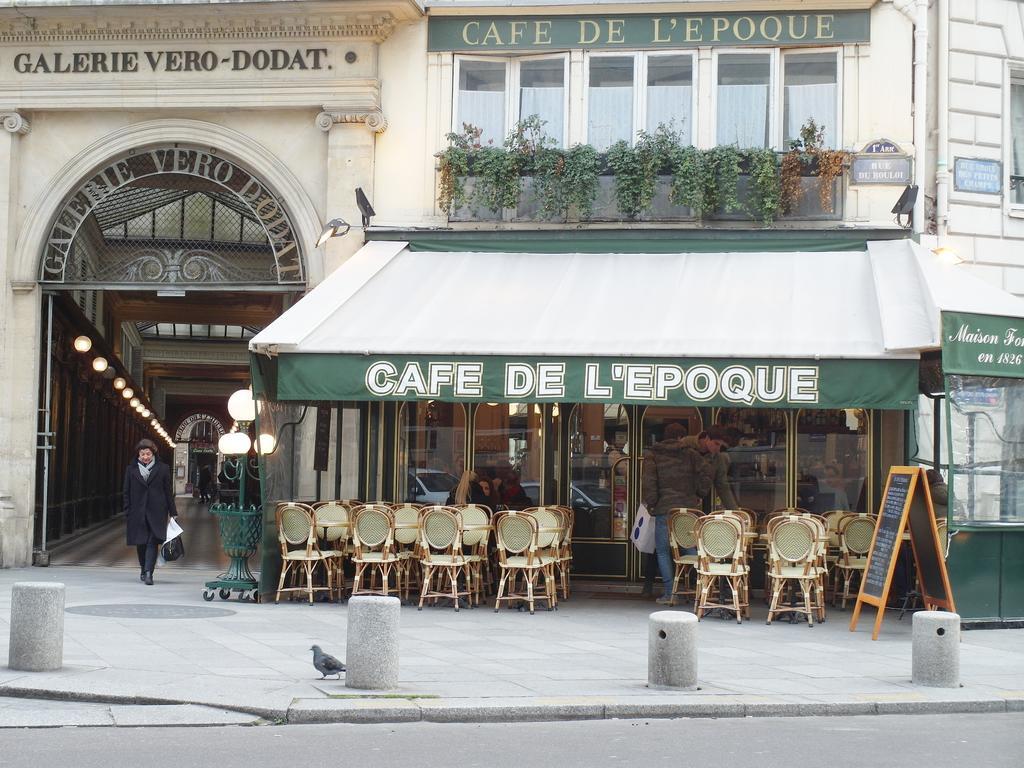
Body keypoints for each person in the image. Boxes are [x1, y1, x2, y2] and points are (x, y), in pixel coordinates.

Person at [642, 422, 713, 605]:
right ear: (681, 437)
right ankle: (700, 592)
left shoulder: (653, 455)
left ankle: (670, 594)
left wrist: (653, 503)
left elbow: (649, 483)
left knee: (663, 552)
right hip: (687, 510)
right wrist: (699, 493)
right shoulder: (691, 454)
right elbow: (707, 471)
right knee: (690, 549)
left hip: (664, 510)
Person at [124, 439, 177, 586]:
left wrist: (173, 511)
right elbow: (126, 492)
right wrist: (127, 510)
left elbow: (167, 491)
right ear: (138, 455)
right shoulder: (131, 470)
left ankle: (149, 573)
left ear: (153, 453)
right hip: (137, 512)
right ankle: (143, 568)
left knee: (152, 542)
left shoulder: (163, 469)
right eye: (142, 454)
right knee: (141, 543)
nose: (145, 457)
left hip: (157, 511)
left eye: (148, 454)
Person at [682, 427, 737, 510]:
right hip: (677, 500)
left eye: (721, 446)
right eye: (716, 443)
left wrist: (735, 511)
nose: (718, 449)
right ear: (707, 438)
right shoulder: (683, 445)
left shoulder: (718, 458)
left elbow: (723, 486)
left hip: (697, 502)